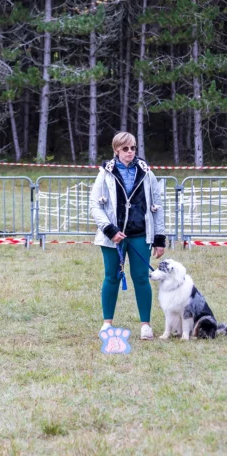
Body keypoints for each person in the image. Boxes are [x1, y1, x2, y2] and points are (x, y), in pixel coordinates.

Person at [89, 132, 165, 340]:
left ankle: (146, 325)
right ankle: (107, 323)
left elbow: (157, 206)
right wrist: (110, 230)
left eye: (132, 148)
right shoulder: (105, 173)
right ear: (116, 150)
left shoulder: (147, 173)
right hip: (113, 236)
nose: (130, 152)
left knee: (141, 279)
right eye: (125, 149)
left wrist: (159, 238)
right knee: (111, 277)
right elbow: (95, 205)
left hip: (140, 235)